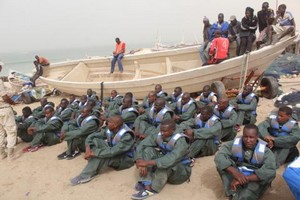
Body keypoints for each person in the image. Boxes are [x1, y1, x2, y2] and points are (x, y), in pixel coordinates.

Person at [132, 119, 191, 200]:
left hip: (180, 171)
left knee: (166, 164)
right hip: (166, 161)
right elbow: (142, 145)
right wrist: (140, 160)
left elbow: (171, 159)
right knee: (148, 151)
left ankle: (152, 189)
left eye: (165, 131)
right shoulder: (159, 135)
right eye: (161, 130)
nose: (162, 133)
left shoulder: (181, 141)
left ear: (173, 130)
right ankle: (146, 182)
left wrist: (147, 163)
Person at [214, 124, 276, 200]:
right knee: (222, 164)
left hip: (254, 177)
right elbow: (219, 155)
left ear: (257, 137)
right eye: (245, 136)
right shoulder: (235, 143)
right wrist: (234, 172)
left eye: (251, 137)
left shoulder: (266, 151)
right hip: (238, 172)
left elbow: (270, 171)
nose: (248, 140)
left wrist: (245, 179)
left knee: (244, 197)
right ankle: (232, 192)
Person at [70, 115, 135, 185]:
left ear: (115, 125)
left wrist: (94, 153)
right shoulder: (111, 129)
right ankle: (94, 166)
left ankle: (85, 175)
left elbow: (113, 151)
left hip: (125, 159)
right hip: (112, 150)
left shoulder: (127, 136)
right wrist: (88, 148)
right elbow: (92, 136)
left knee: (102, 155)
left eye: (109, 122)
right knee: (95, 141)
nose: (107, 124)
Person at [0, 62, 18, 160]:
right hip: (4, 109)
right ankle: (10, 155)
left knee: (0, 133)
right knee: (11, 132)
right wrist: (13, 103)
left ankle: (2, 154)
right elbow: (4, 96)